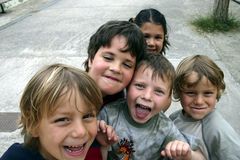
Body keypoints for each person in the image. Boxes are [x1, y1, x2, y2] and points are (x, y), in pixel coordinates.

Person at [98, 54, 206, 160]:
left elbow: (200, 157)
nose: (147, 96)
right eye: (140, 86)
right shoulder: (109, 114)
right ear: (127, 87)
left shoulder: (165, 128)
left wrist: (188, 155)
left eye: (159, 91)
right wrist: (103, 144)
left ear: (168, 99)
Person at [0, 63, 117, 160]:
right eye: (63, 119)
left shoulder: (88, 149)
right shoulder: (16, 157)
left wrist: (103, 148)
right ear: (33, 125)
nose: (81, 131)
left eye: (87, 116)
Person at [84, 20, 146, 160]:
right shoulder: (65, 93)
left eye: (127, 64)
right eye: (108, 57)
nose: (116, 68)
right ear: (91, 58)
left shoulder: (127, 105)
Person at [170, 55, 240, 160]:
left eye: (207, 93)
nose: (199, 101)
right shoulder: (174, 118)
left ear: (217, 93)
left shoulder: (218, 130)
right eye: (191, 93)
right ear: (179, 92)